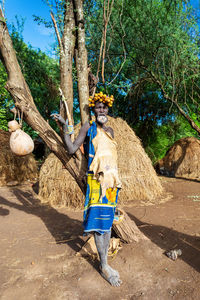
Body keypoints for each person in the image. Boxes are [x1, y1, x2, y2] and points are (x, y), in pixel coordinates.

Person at [52, 92, 122, 286]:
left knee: (107, 224)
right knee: (99, 226)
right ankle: (104, 266)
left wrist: (117, 183)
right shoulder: (88, 127)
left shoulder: (110, 131)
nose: (102, 110)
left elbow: (112, 159)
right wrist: (65, 128)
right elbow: (72, 149)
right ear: (93, 109)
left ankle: (104, 261)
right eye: (98, 107)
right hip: (96, 182)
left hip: (111, 185)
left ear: (108, 109)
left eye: (104, 107)